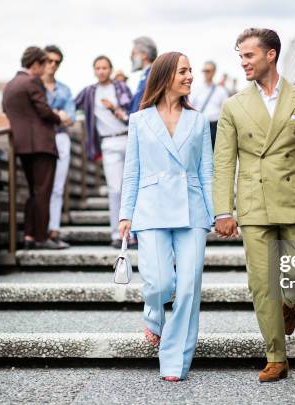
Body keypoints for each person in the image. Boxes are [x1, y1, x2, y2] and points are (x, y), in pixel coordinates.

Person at [213, 28, 295, 382]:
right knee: (261, 284)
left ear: (271, 55)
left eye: (249, 55)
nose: (243, 63)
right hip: (254, 205)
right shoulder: (233, 106)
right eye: (240, 56)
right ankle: (276, 356)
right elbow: (223, 162)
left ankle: (288, 303)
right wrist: (224, 211)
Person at [118, 52, 214, 381]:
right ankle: (153, 316)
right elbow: (131, 172)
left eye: (191, 71)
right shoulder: (139, 120)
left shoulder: (199, 120)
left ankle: (174, 360)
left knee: (188, 287)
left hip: (192, 209)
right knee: (159, 282)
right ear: (165, 77)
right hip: (150, 207)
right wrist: (125, 214)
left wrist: (216, 214)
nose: (190, 76)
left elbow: (207, 172)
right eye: (183, 71)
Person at [2, 46, 70, 250]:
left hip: (22, 146)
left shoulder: (10, 84)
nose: (47, 68)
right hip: (41, 145)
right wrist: (60, 118)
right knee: (43, 192)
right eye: (44, 63)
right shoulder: (32, 81)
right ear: (35, 64)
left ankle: (30, 235)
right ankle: (42, 237)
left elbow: (7, 110)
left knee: (33, 192)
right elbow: (44, 111)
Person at [74, 55, 134, 248]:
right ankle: (117, 234)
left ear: (110, 69)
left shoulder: (121, 88)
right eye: (98, 68)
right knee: (115, 189)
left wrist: (114, 108)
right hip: (107, 144)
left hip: (128, 138)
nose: (101, 71)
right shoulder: (89, 92)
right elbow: (71, 105)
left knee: (131, 189)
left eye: (105, 68)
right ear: (94, 70)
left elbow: (132, 112)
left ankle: (133, 233)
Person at [42, 44, 75, 249]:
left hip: (61, 138)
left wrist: (54, 116)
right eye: (49, 61)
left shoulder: (64, 89)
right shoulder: (34, 86)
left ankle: (54, 230)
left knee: (57, 187)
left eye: (57, 62)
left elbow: (70, 118)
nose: (53, 65)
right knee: (42, 187)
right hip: (41, 140)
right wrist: (57, 115)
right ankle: (39, 231)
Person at [190, 61, 228, 149]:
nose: (206, 73)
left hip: (215, 127)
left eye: (208, 70)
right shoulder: (196, 89)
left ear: (214, 71)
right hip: (199, 125)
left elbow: (226, 111)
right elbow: (190, 107)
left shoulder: (221, 91)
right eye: (204, 70)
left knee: (213, 153)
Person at [129, 36, 157, 114]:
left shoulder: (152, 75)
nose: (131, 57)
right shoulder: (147, 74)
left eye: (134, 53)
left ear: (144, 55)